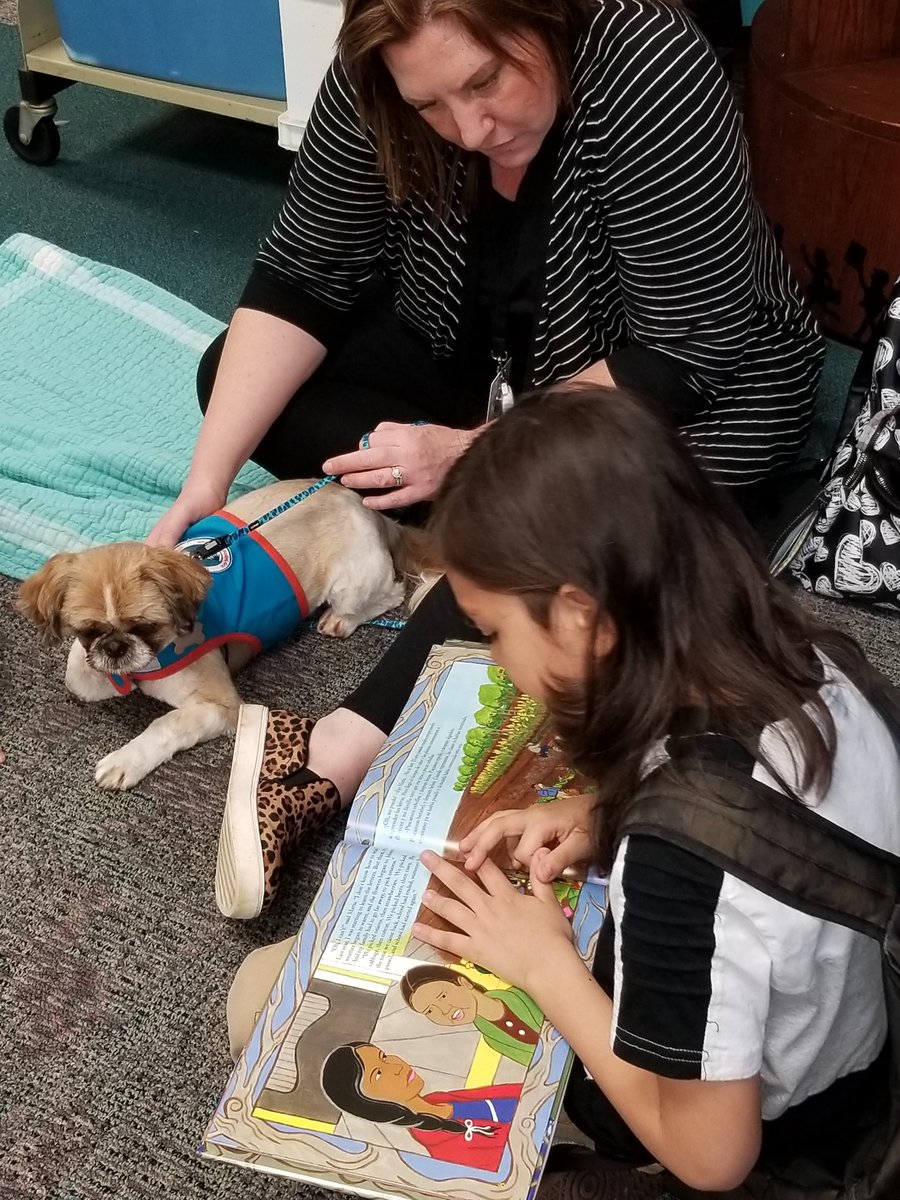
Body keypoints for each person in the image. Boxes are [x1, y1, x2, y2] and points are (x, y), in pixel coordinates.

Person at [159, 0, 825, 918]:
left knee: (583, 527)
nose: (470, 128)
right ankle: (480, 526)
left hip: (683, 388)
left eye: (487, 81)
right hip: (489, 369)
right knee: (233, 377)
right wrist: (203, 487)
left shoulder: (645, 55)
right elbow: (304, 273)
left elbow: (685, 346)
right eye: (432, 106)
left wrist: (479, 455)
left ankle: (333, 750)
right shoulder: (382, 81)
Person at [225, 385, 900, 1195]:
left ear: (582, 616)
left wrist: (545, 964)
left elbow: (713, 1158)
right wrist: (602, 811)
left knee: (263, 998)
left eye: (497, 633)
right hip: (859, 1042)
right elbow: (775, 835)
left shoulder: (680, 861)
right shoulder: (807, 657)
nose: (498, 663)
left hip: (785, 1128)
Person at [319, 1041, 521, 1170]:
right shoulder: (449, 1152)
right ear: (370, 1105)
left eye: (384, 1056)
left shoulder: (439, 1099)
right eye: (378, 1074)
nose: (396, 1066)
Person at [400, 963, 543, 1067]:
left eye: (443, 996)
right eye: (429, 1011)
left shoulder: (524, 992)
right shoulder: (492, 1040)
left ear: (464, 982)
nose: (444, 1010)